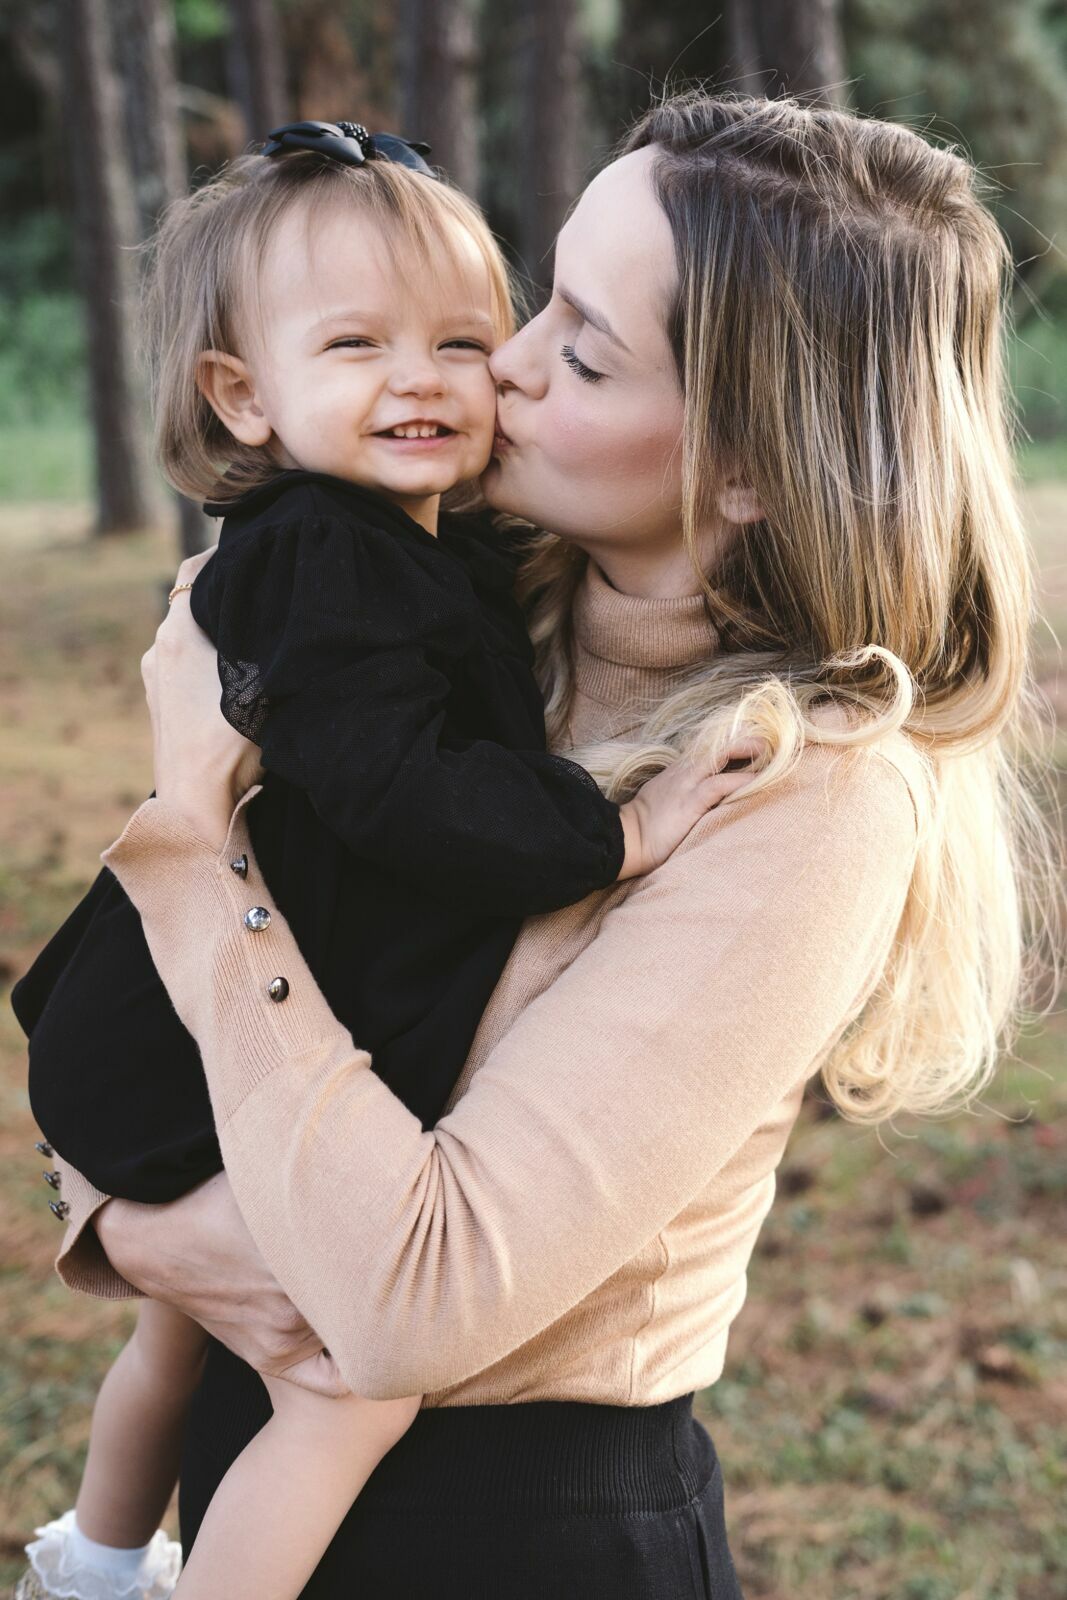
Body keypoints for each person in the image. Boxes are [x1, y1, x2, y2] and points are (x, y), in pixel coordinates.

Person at [32, 91, 1063, 1599]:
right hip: (246, 1451)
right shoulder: (453, 607)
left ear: (752, 464)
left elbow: (413, 1298)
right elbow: (154, 1043)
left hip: (516, 1540)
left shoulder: (803, 797)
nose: (498, 367)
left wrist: (195, 848)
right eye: (538, 300)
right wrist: (129, 1217)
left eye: (577, 347)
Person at [13, 121, 762, 1600]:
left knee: (180, 1327)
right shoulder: (316, 553)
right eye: (355, 344)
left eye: (464, 339)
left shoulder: (420, 539)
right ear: (244, 394)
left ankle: (94, 1560)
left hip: (202, 1023)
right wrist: (620, 829)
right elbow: (401, 788)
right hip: (187, 1046)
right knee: (347, 1384)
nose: (421, 377)